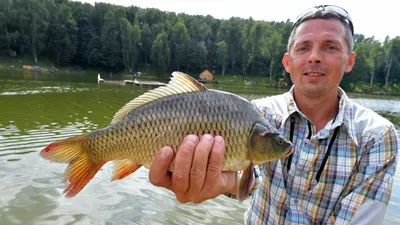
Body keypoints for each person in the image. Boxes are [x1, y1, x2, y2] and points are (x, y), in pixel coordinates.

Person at [148, 5, 399, 224]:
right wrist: (220, 182)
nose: (314, 57)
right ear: (287, 62)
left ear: (350, 61)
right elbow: (248, 177)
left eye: (330, 47)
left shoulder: (377, 136)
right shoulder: (257, 113)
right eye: (303, 48)